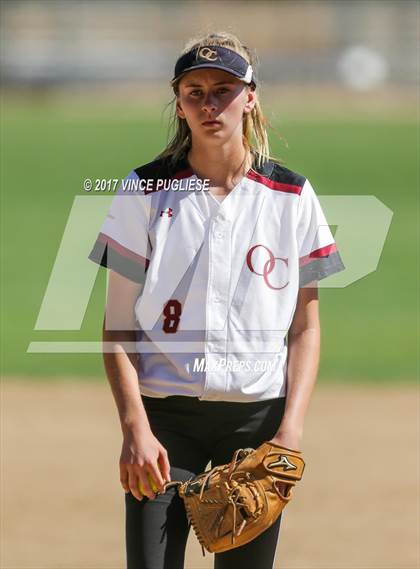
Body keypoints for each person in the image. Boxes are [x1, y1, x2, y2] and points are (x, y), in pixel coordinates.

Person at [88, 31, 345, 569]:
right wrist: (134, 427)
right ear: (178, 104)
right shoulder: (143, 191)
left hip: (255, 426)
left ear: (250, 96)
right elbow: (117, 328)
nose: (209, 104)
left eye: (223, 89)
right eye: (194, 91)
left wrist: (290, 432)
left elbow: (305, 327)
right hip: (165, 424)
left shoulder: (292, 196)